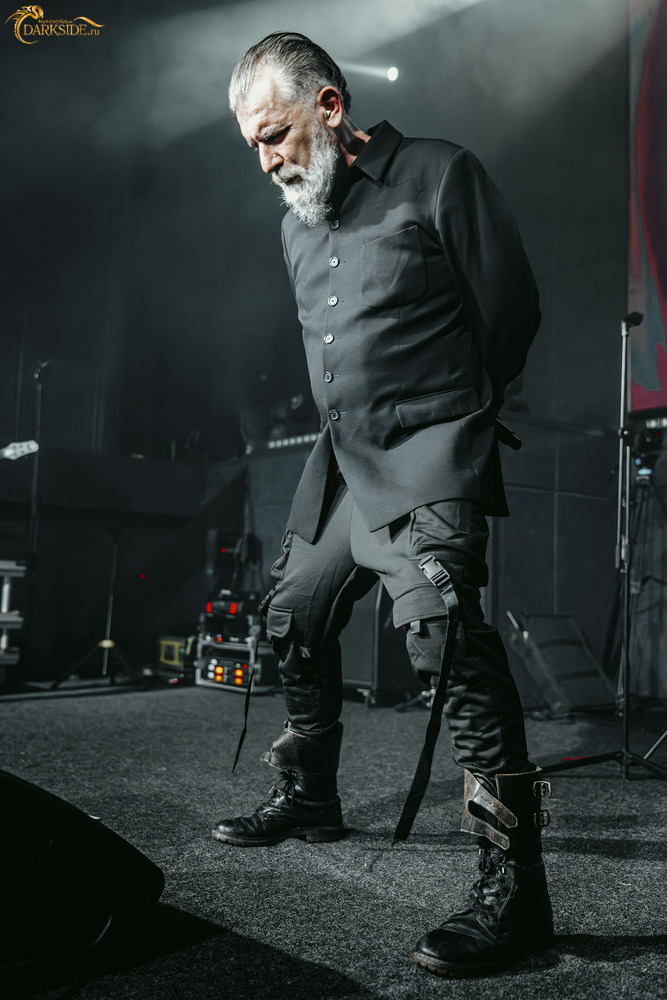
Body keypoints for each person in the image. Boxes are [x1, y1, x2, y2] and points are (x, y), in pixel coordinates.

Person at [213, 31, 553, 977]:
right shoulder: (296, 223)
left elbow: (510, 311)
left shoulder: (440, 174)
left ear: (329, 107)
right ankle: (311, 796)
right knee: (291, 614)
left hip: (427, 452)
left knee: (444, 641)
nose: (266, 160)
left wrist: (449, 420)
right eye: (251, 146)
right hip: (342, 465)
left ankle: (516, 888)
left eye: (274, 134)